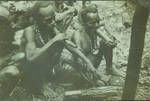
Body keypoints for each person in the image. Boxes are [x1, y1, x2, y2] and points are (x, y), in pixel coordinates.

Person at [71, 4, 123, 76]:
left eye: (97, 21)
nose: (96, 25)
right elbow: (78, 61)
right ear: (84, 23)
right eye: (92, 23)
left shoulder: (92, 28)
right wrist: (96, 76)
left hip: (92, 62)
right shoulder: (78, 35)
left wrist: (111, 42)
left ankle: (109, 68)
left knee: (106, 43)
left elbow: (103, 35)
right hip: (84, 67)